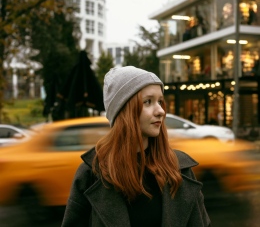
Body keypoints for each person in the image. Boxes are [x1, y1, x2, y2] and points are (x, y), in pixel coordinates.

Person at [61, 66, 211, 227]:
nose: (160, 111)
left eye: (160, 101)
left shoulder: (179, 169)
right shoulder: (91, 174)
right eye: (148, 102)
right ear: (124, 110)